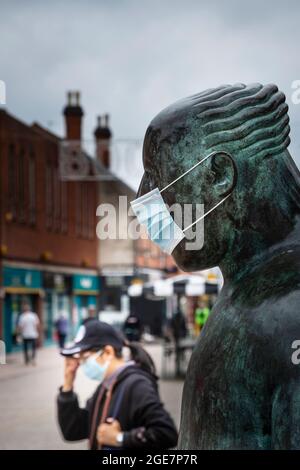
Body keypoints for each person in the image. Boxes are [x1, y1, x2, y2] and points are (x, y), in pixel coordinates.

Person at [56, 319, 178, 450]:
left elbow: (167, 433)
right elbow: (74, 430)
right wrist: (68, 384)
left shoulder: (136, 384)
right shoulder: (107, 385)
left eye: (85, 358)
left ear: (108, 352)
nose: (81, 364)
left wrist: (120, 438)